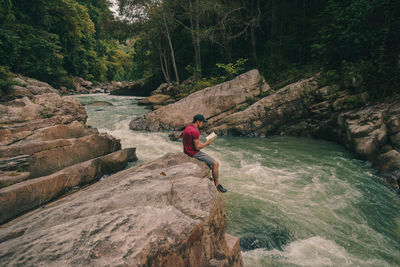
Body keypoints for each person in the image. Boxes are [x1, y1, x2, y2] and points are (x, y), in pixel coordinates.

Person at [182, 114, 227, 193]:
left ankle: (209, 177)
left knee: (209, 161)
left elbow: (191, 141)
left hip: (186, 151)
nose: (202, 124)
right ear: (198, 121)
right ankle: (217, 185)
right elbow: (197, 148)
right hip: (193, 153)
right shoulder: (195, 131)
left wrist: (200, 143)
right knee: (215, 164)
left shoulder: (188, 128)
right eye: (202, 122)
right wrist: (207, 143)